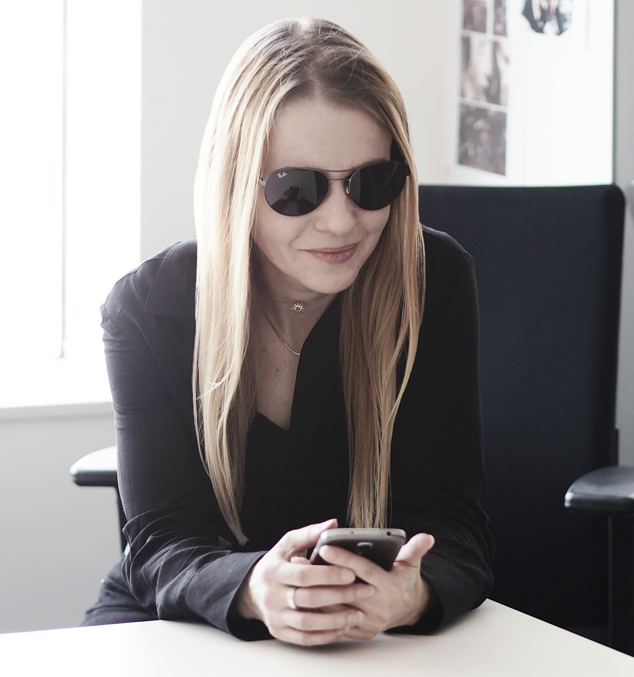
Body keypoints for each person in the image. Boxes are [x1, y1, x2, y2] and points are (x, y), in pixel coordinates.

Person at [82, 17, 492, 647]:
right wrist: (252, 589)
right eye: (296, 190)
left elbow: (453, 527)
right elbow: (160, 546)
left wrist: (414, 593)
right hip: (184, 625)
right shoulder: (146, 310)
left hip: (364, 635)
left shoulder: (430, 283)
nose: (341, 222)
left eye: (370, 183)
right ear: (235, 189)